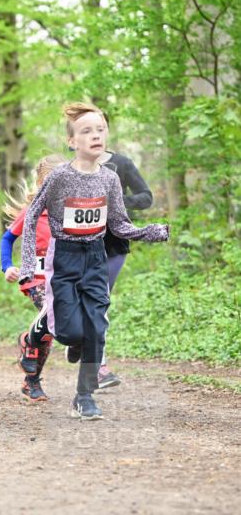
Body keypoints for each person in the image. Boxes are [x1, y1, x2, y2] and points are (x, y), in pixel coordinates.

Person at [17, 102, 169, 421]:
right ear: (72, 141)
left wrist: (149, 231)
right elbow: (31, 216)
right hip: (65, 258)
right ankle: (59, 339)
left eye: (100, 129)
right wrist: (28, 265)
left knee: (97, 329)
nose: (96, 135)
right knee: (70, 333)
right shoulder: (60, 177)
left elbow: (119, 224)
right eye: (87, 131)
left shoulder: (110, 179)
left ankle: (84, 397)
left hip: (97, 257)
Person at [1, 154, 65, 402]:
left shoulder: (71, 213)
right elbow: (7, 238)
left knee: (49, 330)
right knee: (50, 311)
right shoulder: (32, 212)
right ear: (41, 184)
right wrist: (7, 266)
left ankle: (31, 380)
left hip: (60, 278)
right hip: (34, 277)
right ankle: (28, 342)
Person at [97, 137, 155, 389]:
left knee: (100, 301)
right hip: (78, 246)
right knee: (85, 302)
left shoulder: (122, 163)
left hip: (114, 245)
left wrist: (119, 200)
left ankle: (98, 367)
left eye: (100, 128)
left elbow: (146, 197)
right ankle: (80, 346)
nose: (95, 134)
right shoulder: (71, 168)